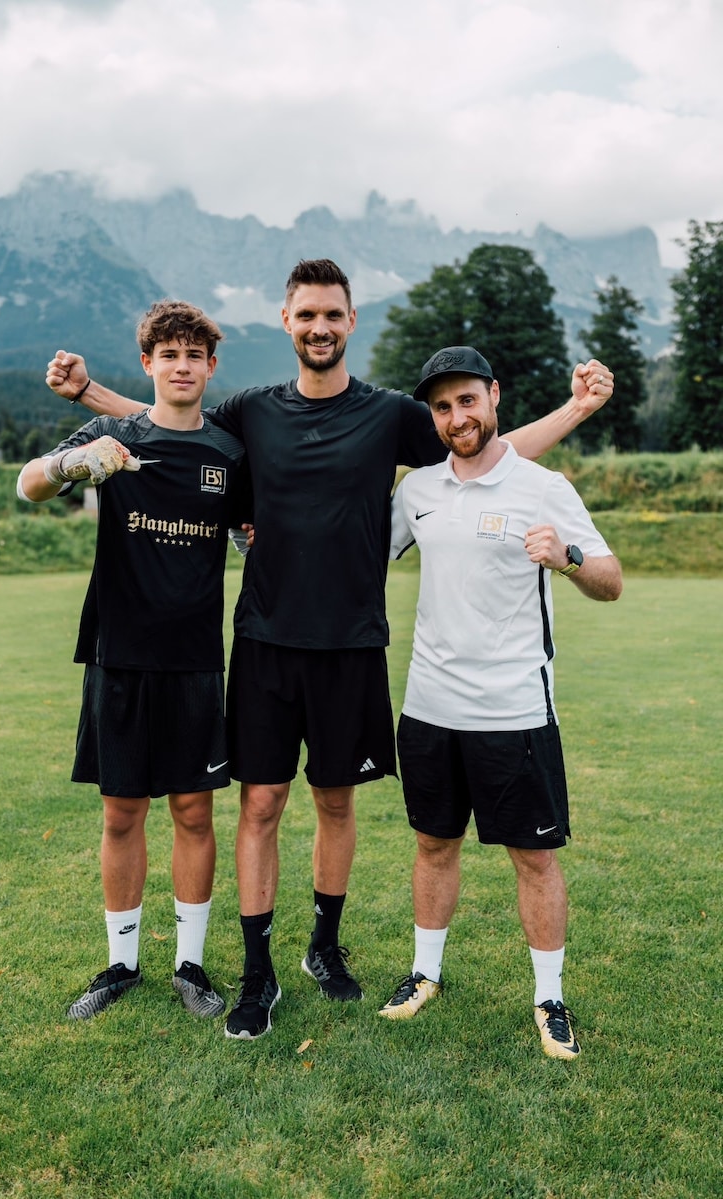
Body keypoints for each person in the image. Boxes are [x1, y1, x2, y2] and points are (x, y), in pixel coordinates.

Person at [44, 259, 613, 1039]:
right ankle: (256, 972)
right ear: (286, 321)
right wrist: (89, 399)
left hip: (352, 646)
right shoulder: (249, 409)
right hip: (265, 643)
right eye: (306, 314)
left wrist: (574, 411)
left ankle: (324, 947)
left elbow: (480, 444)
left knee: (337, 801)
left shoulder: (388, 414)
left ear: (351, 322)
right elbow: (174, 418)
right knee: (262, 802)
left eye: (333, 315)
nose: (319, 327)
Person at [378, 345, 622, 1059]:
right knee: (433, 843)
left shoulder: (543, 487)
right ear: (434, 416)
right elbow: (359, 554)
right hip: (428, 706)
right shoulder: (417, 491)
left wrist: (567, 559)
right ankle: (425, 974)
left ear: (494, 396)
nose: (458, 416)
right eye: (443, 406)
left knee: (535, 859)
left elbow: (610, 579)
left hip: (515, 710)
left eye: (468, 400)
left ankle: (550, 997)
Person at [19, 300, 247, 1021]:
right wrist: (71, 463)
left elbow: (256, 532)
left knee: (193, 810)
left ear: (211, 368)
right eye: (168, 355)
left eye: (194, 356)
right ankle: (120, 965)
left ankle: (191, 963)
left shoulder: (229, 452)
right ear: (147, 364)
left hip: (194, 662)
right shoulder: (111, 434)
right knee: (121, 812)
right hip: (118, 654)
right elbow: (28, 483)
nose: (181, 367)